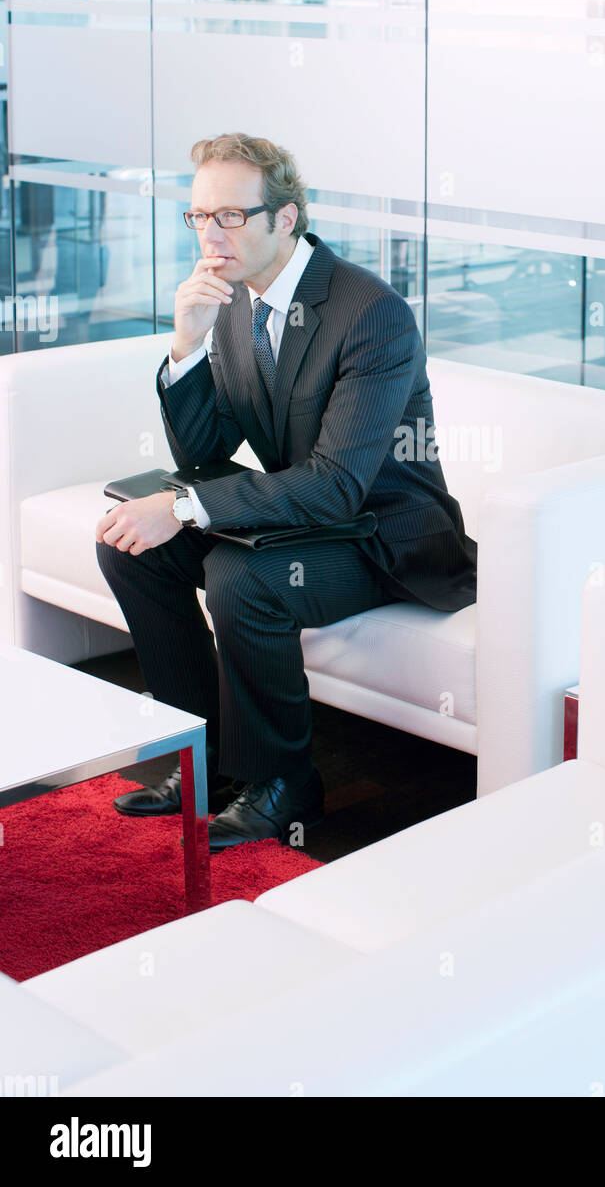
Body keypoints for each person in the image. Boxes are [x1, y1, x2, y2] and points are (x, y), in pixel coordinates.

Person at [95, 133, 476, 853]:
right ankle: (198, 761)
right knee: (128, 545)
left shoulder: (370, 313)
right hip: (301, 518)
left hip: (381, 534)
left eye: (230, 217)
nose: (210, 236)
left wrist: (180, 507)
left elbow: (336, 485)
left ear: (286, 218)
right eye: (199, 217)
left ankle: (284, 784)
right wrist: (187, 346)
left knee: (241, 577)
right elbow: (205, 454)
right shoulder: (235, 301)